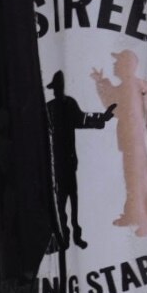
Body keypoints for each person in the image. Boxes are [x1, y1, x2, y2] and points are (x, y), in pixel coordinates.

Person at [91, 50, 147, 237]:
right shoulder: (137, 85)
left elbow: (112, 105)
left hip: (139, 144)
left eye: (118, 62)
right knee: (133, 179)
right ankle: (134, 214)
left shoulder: (133, 86)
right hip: (134, 143)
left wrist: (101, 83)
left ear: (127, 65)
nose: (114, 65)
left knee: (141, 180)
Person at [44, 70, 115, 249]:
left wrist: (102, 118)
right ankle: (64, 237)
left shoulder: (68, 105)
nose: (57, 90)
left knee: (73, 200)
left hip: (68, 162)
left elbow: (82, 119)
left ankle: (75, 236)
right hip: (55, 164)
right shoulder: (49, 108)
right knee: (60, 202)